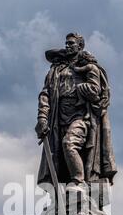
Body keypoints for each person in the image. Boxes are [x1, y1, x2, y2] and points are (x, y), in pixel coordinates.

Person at [35, 33, 117, 193]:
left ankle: (79, 182)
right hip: (58, 118)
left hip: (82, 116)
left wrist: (85, 89)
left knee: (69, 143)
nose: (67, 46)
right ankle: (59, 197)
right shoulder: (56, 70)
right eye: (66, 43)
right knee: (58, 157)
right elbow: (45, 94)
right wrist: (42, 117)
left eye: (71, 43)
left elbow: (98, 93)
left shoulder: (90, 67)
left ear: (80, 46)